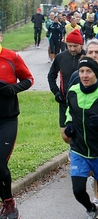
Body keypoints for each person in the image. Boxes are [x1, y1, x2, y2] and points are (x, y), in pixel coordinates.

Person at [65, 56, 98, 219]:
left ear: (95, 73)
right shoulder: (73, 91)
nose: (84, 75)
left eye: (88, 71)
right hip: (79, 150)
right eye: (81, 71)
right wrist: (69, 123)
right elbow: (70, 110)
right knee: (78, 190)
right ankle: (92, 208)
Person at [0, 27, 34, 219]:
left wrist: (12, 89)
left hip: (7, 118)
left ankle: (9, 203)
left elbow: (29, 79)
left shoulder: (11, 57)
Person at [48, 29, 85, 144]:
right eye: (69, 46)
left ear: (81, 45)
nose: (72, 49)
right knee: (65, 134)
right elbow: (51, 76)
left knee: (82, 131)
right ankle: (73, 148)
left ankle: (77, 153)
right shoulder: (60, 57)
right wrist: (57, 92)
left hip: (83, 100)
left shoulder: (87, 56)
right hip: (65, 100)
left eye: (75, 46)